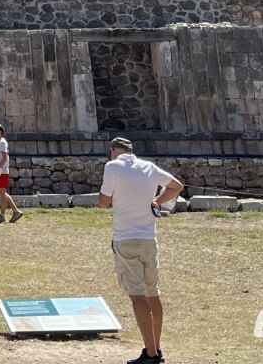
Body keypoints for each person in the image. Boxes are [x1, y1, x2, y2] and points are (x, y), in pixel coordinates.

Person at [99, 136, 183, 364]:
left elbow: (103, 202)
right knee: (153, 293)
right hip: (148, 238)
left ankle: (151, 354)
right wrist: (156, 201)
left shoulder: (112, 167)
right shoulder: (148, 167)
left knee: (137, 296)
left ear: (113, 151)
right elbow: (176, 186)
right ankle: (156, 348)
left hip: (125, 238)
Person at [0, 124, 22, 224]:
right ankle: (15, 211)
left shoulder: (3, 142)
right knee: (2, 192)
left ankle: (3, 215)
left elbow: (4, 157)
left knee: (2, 193)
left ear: (0, 132)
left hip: (2, 172)